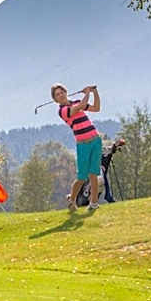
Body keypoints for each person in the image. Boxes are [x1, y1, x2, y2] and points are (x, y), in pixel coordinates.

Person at [52, 83, 102, 211]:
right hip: (83, 144)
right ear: (55, 99)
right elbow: (78, 108)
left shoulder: (76, 101)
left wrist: (94, 92)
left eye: (61, 92)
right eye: (57, 94)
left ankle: (94, 203)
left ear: (65, 92)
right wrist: (87, 93)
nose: (61, 95)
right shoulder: (62, 111)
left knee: (93, 174)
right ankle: (72, 199)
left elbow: (96, 108)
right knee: (82, 177)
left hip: (95, 140)